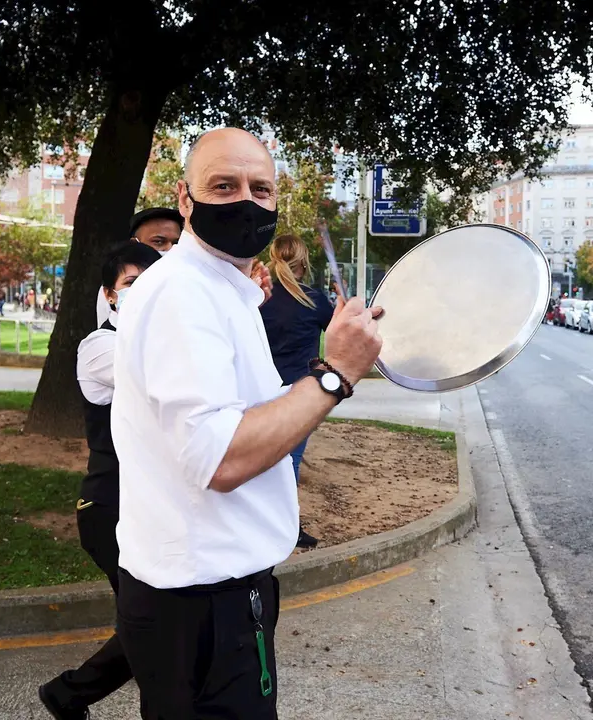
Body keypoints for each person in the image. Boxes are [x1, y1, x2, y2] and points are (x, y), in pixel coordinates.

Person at [110, 127, 381, 719]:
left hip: (205, 596)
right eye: (223, 185)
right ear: (186, 200)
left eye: (261, 189)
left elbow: (245, 413)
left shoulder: (219, 289)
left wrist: (329, 362)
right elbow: (222, 457)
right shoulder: (184, 293)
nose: (246, 202)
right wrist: (334, 375)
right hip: (206, 604)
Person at [38, 242, 163, 720]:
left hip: (147, 508)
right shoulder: (100, 347)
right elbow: (158, 374)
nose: (142, 292)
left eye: (152, 283)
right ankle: (68, 693)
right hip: (108, 508)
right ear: (110, 296)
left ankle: (67, 695)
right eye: (131, 284)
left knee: (152, 620)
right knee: (151, 621)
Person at [259, 233, 335, 549]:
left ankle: (262, 523)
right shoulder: (315, 300)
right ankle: (287, 529)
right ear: (304, 263)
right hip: (299, 393)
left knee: (259, 458)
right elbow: (339, 333)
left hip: (259, 388)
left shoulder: (257, 298)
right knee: (290, 460)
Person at [96, 208, 183, 325]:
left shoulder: (185, 280)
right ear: (134, 243)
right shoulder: (117, 289)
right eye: (158, 242)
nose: (170, 249)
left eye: (176, 243)